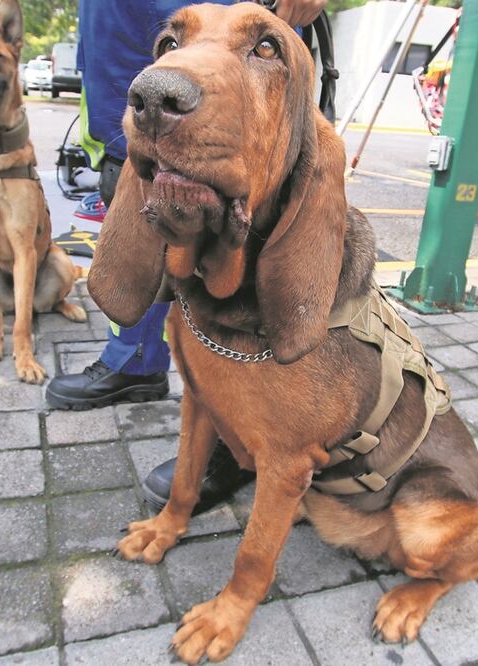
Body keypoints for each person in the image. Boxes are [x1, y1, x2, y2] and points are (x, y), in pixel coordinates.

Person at [45, 0, 327, 513]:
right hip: (121, 121)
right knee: (173, 282)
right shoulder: (149, 91)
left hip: (227, 122)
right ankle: (135, 361)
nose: (164, 78)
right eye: (169, 47)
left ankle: (233, 441)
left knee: (243, 296)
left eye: (263, 49)